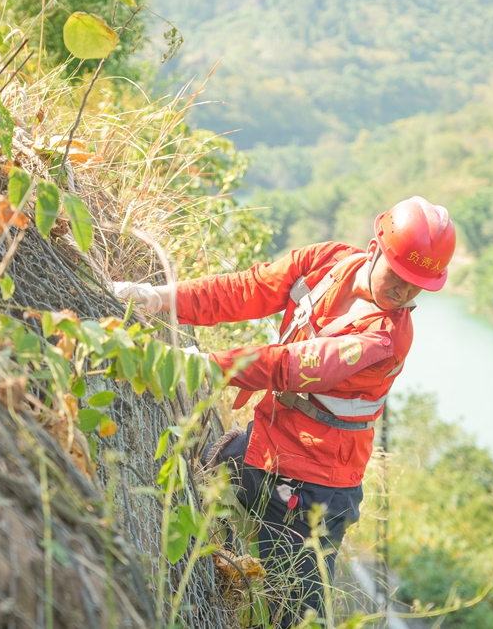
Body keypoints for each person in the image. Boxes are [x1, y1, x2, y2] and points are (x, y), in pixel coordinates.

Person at [114, 196, 456, 626]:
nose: (402, 293)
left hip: (314, 491)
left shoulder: (385, 339)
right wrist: (157, 298)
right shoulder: (326, 263)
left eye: (416, 287)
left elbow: (295, 367)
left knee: (296, 618)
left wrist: (206, 367)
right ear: (375, 248)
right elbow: (247, 290)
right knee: (202, 474)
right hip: (266, 448)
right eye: (398, 276)